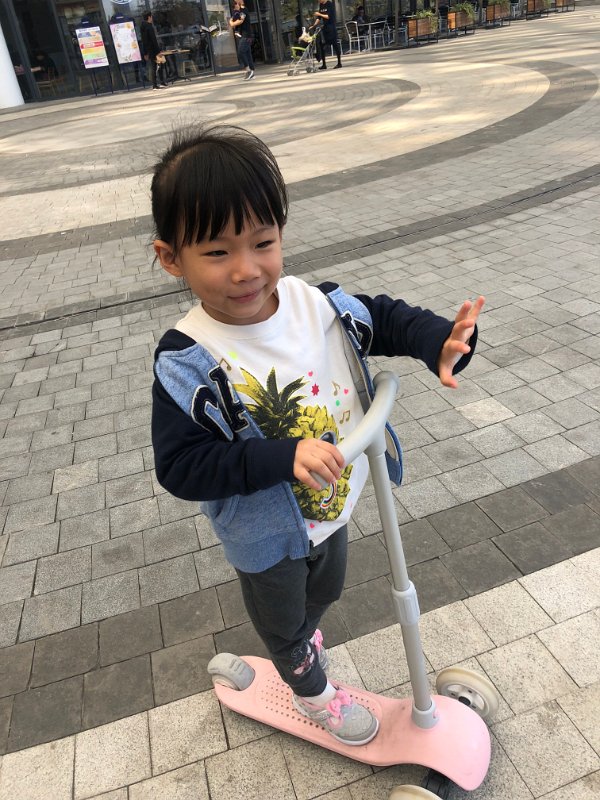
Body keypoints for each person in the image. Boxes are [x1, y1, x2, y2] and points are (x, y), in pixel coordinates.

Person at [150, 124, 484, 746]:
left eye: (263, 242)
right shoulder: (188, 360)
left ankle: (304, 637)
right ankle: (312, 690)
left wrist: (437, 340)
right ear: (172, 258)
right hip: (267, 536)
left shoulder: (316, 305)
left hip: (334, 505)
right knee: (282, 620)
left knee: (326, 588)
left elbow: (381, 318)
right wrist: (279, 457)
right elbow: (182, 465)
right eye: (218, 253)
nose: (247, 270)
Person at [229, 0, 255, 81]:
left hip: (246, 35)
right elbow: (233, 20)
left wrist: (232, 23)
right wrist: (232, 22)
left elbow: (240, 21)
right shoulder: (238, 11)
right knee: (247, 53)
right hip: (243, 35)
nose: (235, 3)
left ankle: (248, 70)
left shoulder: (244, 10)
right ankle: (252, 71)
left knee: (241, 52)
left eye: (236, 2)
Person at [140, 11, 166, 89]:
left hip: (149, 49)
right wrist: (158, 51)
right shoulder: (149, 27)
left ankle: (159, 82)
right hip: (154, 49)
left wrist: (145, 52)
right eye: (151, 17)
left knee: (157, 65)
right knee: (156, 65)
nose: (152, 18)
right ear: (149, 17)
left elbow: (144, 41)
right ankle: (156, 84)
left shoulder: (143, 27)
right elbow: (153, 39)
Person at [313, 0, 342, 70]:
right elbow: (319, 17)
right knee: (322, 46)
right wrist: (314, 25)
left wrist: (319, 14)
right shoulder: (321, 5)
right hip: (325, 28)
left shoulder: (329, 4)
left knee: (335, 45)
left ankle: (339, 63)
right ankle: (324, 64)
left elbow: (328, 16)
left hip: (331, 27)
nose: (318, 1)